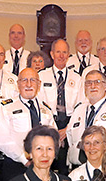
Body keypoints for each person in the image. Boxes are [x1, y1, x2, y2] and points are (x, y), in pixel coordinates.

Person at [38, 38, 84, 174]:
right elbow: (40, 105)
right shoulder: (42, 76)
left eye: (64, 52)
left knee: (67, 168)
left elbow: (80, 106)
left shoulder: (77, 78)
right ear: (52, 54)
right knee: (47, 166)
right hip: (49, 123)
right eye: (58, 52)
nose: (61, 55)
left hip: (69, 124)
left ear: (68, 54)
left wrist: (67, 128)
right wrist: (52, 128)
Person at [66, 69, 106, 168]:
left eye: (97, 82)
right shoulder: (78, 109)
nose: (92, 86)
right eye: (88, 83)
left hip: (105, 166)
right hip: (78, 166)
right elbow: (70, 138)